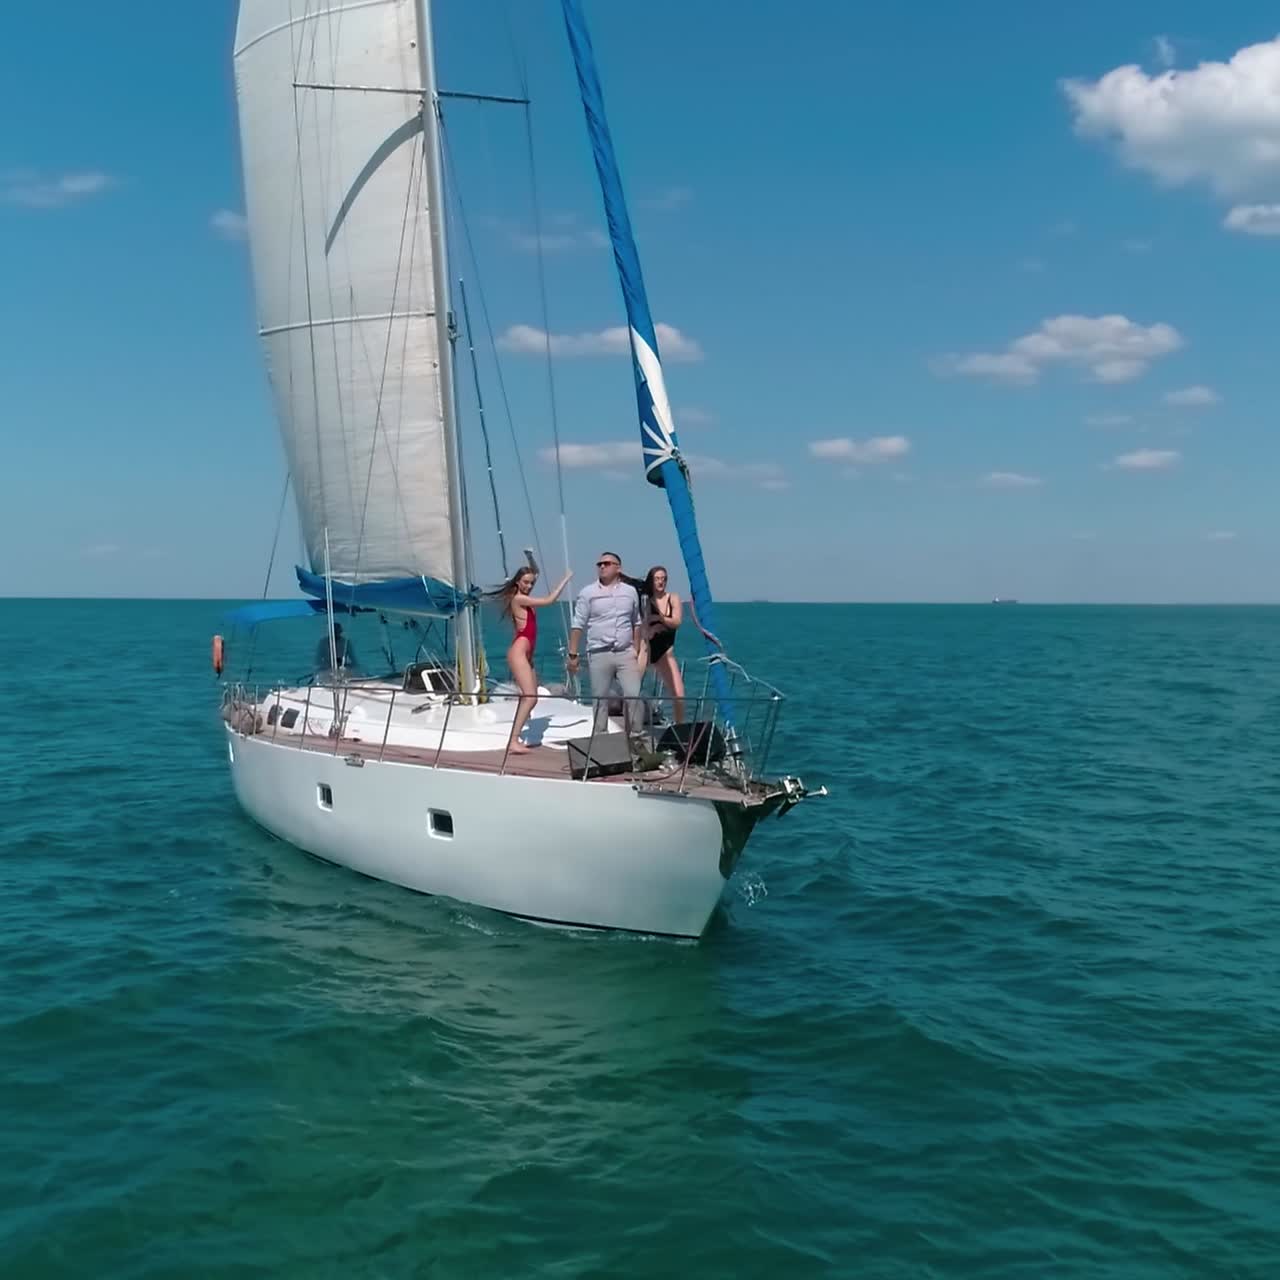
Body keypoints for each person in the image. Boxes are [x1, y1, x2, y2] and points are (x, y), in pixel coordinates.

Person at [489, 564, 571, 754]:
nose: (528, 585)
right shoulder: (518, 599)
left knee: (530, 697)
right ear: (517, 582)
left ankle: (518, 737)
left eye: (531, 583)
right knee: (530, 697)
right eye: (525, 582)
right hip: (519, 652)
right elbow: (549, 600)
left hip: (527, 654)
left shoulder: (524, 600)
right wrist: (565, 579)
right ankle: (513, 740)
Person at [567, 552, 642, 733]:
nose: (602, 566)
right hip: (599, 652)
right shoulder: (588, 593)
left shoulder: (630, 592)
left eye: (607, 563)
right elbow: (578, 624)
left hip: (625, 652)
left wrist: (636, 650)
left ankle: (636, 741)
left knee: (633, 696)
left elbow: (636, 622)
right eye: (599, 564)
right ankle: (601, 741)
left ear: (618, 568)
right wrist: (573, 654)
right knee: (600, 700)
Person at [634, 565, 685, 722]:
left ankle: (679, 726)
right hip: (647, 649)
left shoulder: (673, 598)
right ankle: (630, 725)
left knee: (679, 694)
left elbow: (676, 621)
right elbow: (643, 626)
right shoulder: (646, 600)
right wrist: (652, 627)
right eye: (657, 579)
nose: (660, 582)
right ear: (652, 581)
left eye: (663, 579)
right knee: (632, 690)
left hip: (665, 652)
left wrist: (661, 619)